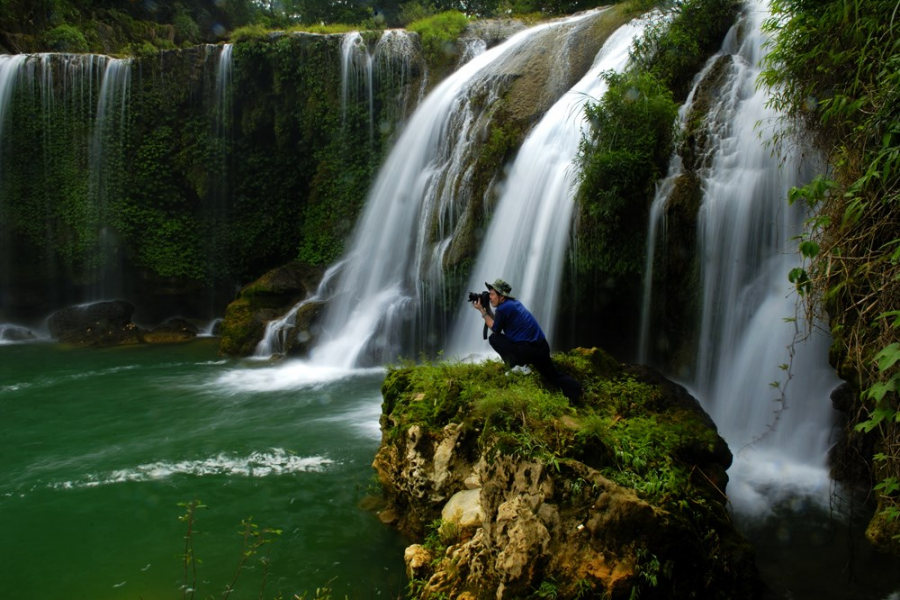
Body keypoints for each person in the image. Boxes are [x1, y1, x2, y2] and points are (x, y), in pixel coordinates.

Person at [472, 278, 582, 401]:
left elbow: (496, 330)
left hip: (527, 350)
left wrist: (483, 311)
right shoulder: (513, 304)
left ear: (502, 297)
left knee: (494, 339)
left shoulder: (503, 309)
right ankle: (576, 391)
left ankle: (518, 366)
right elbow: (497, 323)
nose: (490, 297)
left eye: (492, 294)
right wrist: (487, 310)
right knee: (552, 375)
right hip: (542, 347)